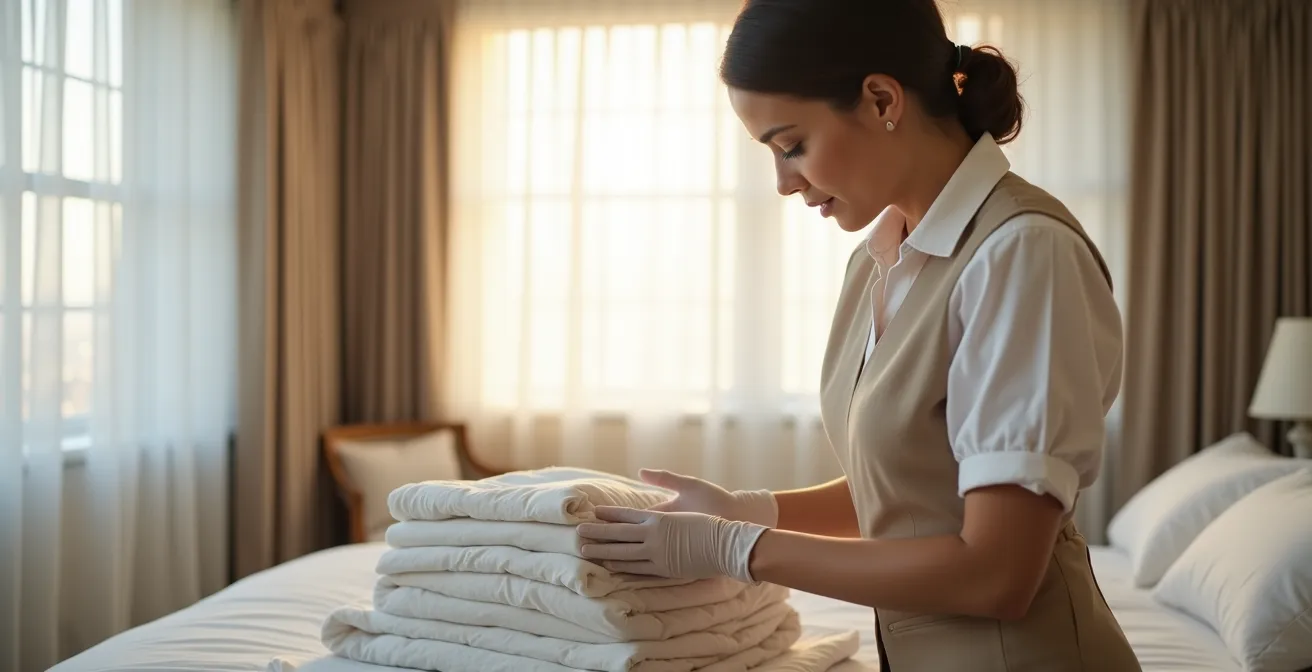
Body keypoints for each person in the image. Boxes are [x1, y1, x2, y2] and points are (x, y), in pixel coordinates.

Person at [576, 0, 1144, 670]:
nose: (784, 183)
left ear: (880, 100)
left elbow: (996, 574)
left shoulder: (1021, 254)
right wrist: (749, 507)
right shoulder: (879, 258)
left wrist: (737, 547)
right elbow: (914, 487)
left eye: (792, 146)